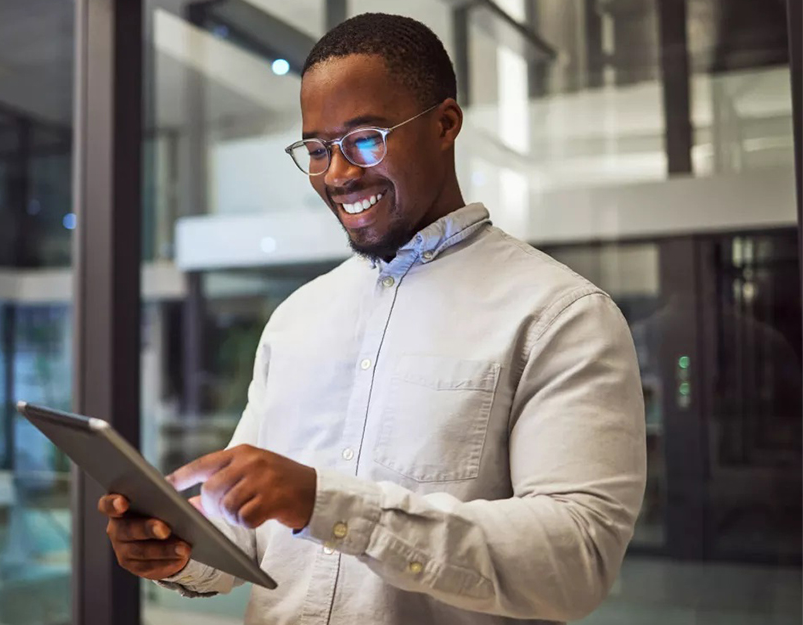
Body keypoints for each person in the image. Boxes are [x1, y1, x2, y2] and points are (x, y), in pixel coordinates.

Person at [99, 12, 646, 625]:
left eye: (365, 139)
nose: (337, 174)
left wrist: (325, 503)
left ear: (445, 124)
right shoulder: (297, 317)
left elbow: (575, 560)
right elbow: (250, 537)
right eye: (317, 149)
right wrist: (177, 548)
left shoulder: (559, 316)